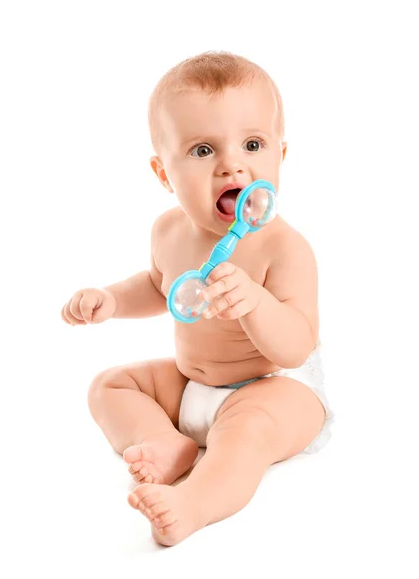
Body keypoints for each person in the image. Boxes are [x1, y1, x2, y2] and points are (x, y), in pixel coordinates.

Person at [61, 51, 333, 547]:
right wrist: (112, 300)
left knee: (246, 434)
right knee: (111, 385)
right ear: (163, 173)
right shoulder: (168, 231)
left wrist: (254, 303)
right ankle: (167, 442)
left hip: (273, 389)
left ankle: (195, 503)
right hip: (192, 382)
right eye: (203, 150)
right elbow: (159, 286)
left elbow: (296, 346)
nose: (233, 164)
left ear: (281, 156)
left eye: (253, 144)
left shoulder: (284, 248)